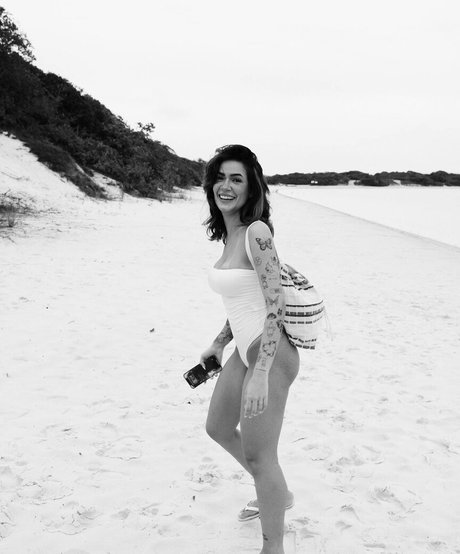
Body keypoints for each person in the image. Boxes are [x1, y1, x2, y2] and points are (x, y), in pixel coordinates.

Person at [200, 145, 299, 554]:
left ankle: (273, 547)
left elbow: (275, 304)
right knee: (218, 428)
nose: (226, 186)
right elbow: (243, 301)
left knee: (261, 456)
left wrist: (260, 373)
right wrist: (219, 342)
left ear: (251, 187)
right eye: (220, 177)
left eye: (236, 179)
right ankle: (276, 492)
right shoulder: (231, 235)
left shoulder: (257, 232)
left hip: (269, 354)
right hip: (245, 348)